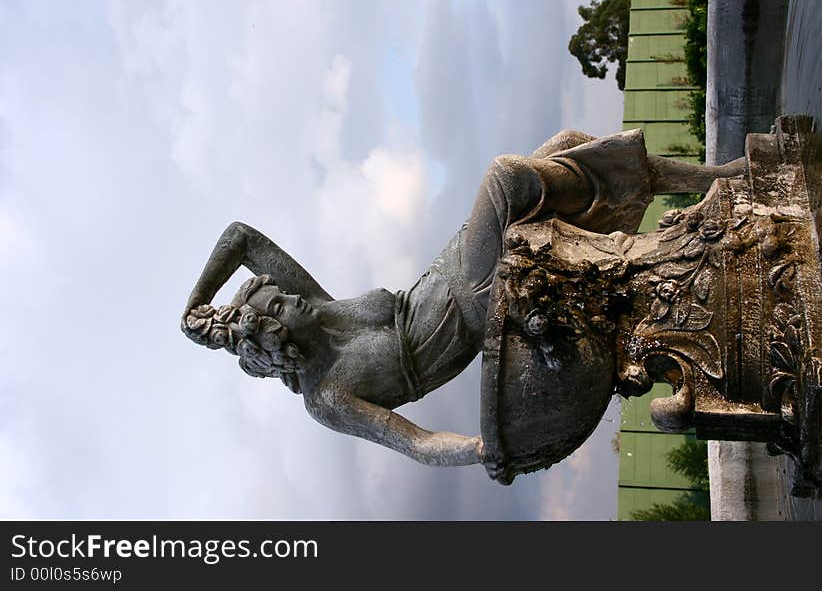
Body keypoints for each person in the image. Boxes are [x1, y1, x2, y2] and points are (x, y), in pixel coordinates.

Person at [181, 129, 744, 471]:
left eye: (280, 295)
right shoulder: (327, 396)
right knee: (505, 177)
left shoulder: (317, 310)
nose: (287, 297)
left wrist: (197, 307)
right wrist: (477, 450)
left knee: (568, 145)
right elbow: (415, 443)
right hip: (469, 311)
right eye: (276, 306)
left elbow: (240, 236)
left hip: (450, 265)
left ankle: (718, 179)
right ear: (272, 338)